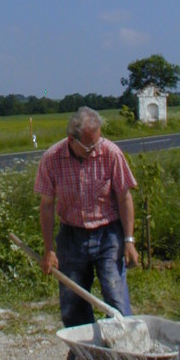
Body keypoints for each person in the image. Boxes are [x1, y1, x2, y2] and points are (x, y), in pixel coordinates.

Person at [34, 106, 139, 327]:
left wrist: (129, 241)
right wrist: (49, 249)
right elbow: (46, 206)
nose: (95, 149)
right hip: (71, 236)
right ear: (72, 139)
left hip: (108, 235)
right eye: (89, 146)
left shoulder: (110, 153)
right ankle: (84, 357)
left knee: (116, 298)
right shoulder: (52, 159)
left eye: (97, 142)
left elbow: (124, 199)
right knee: (73, 305)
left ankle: (125, 355)